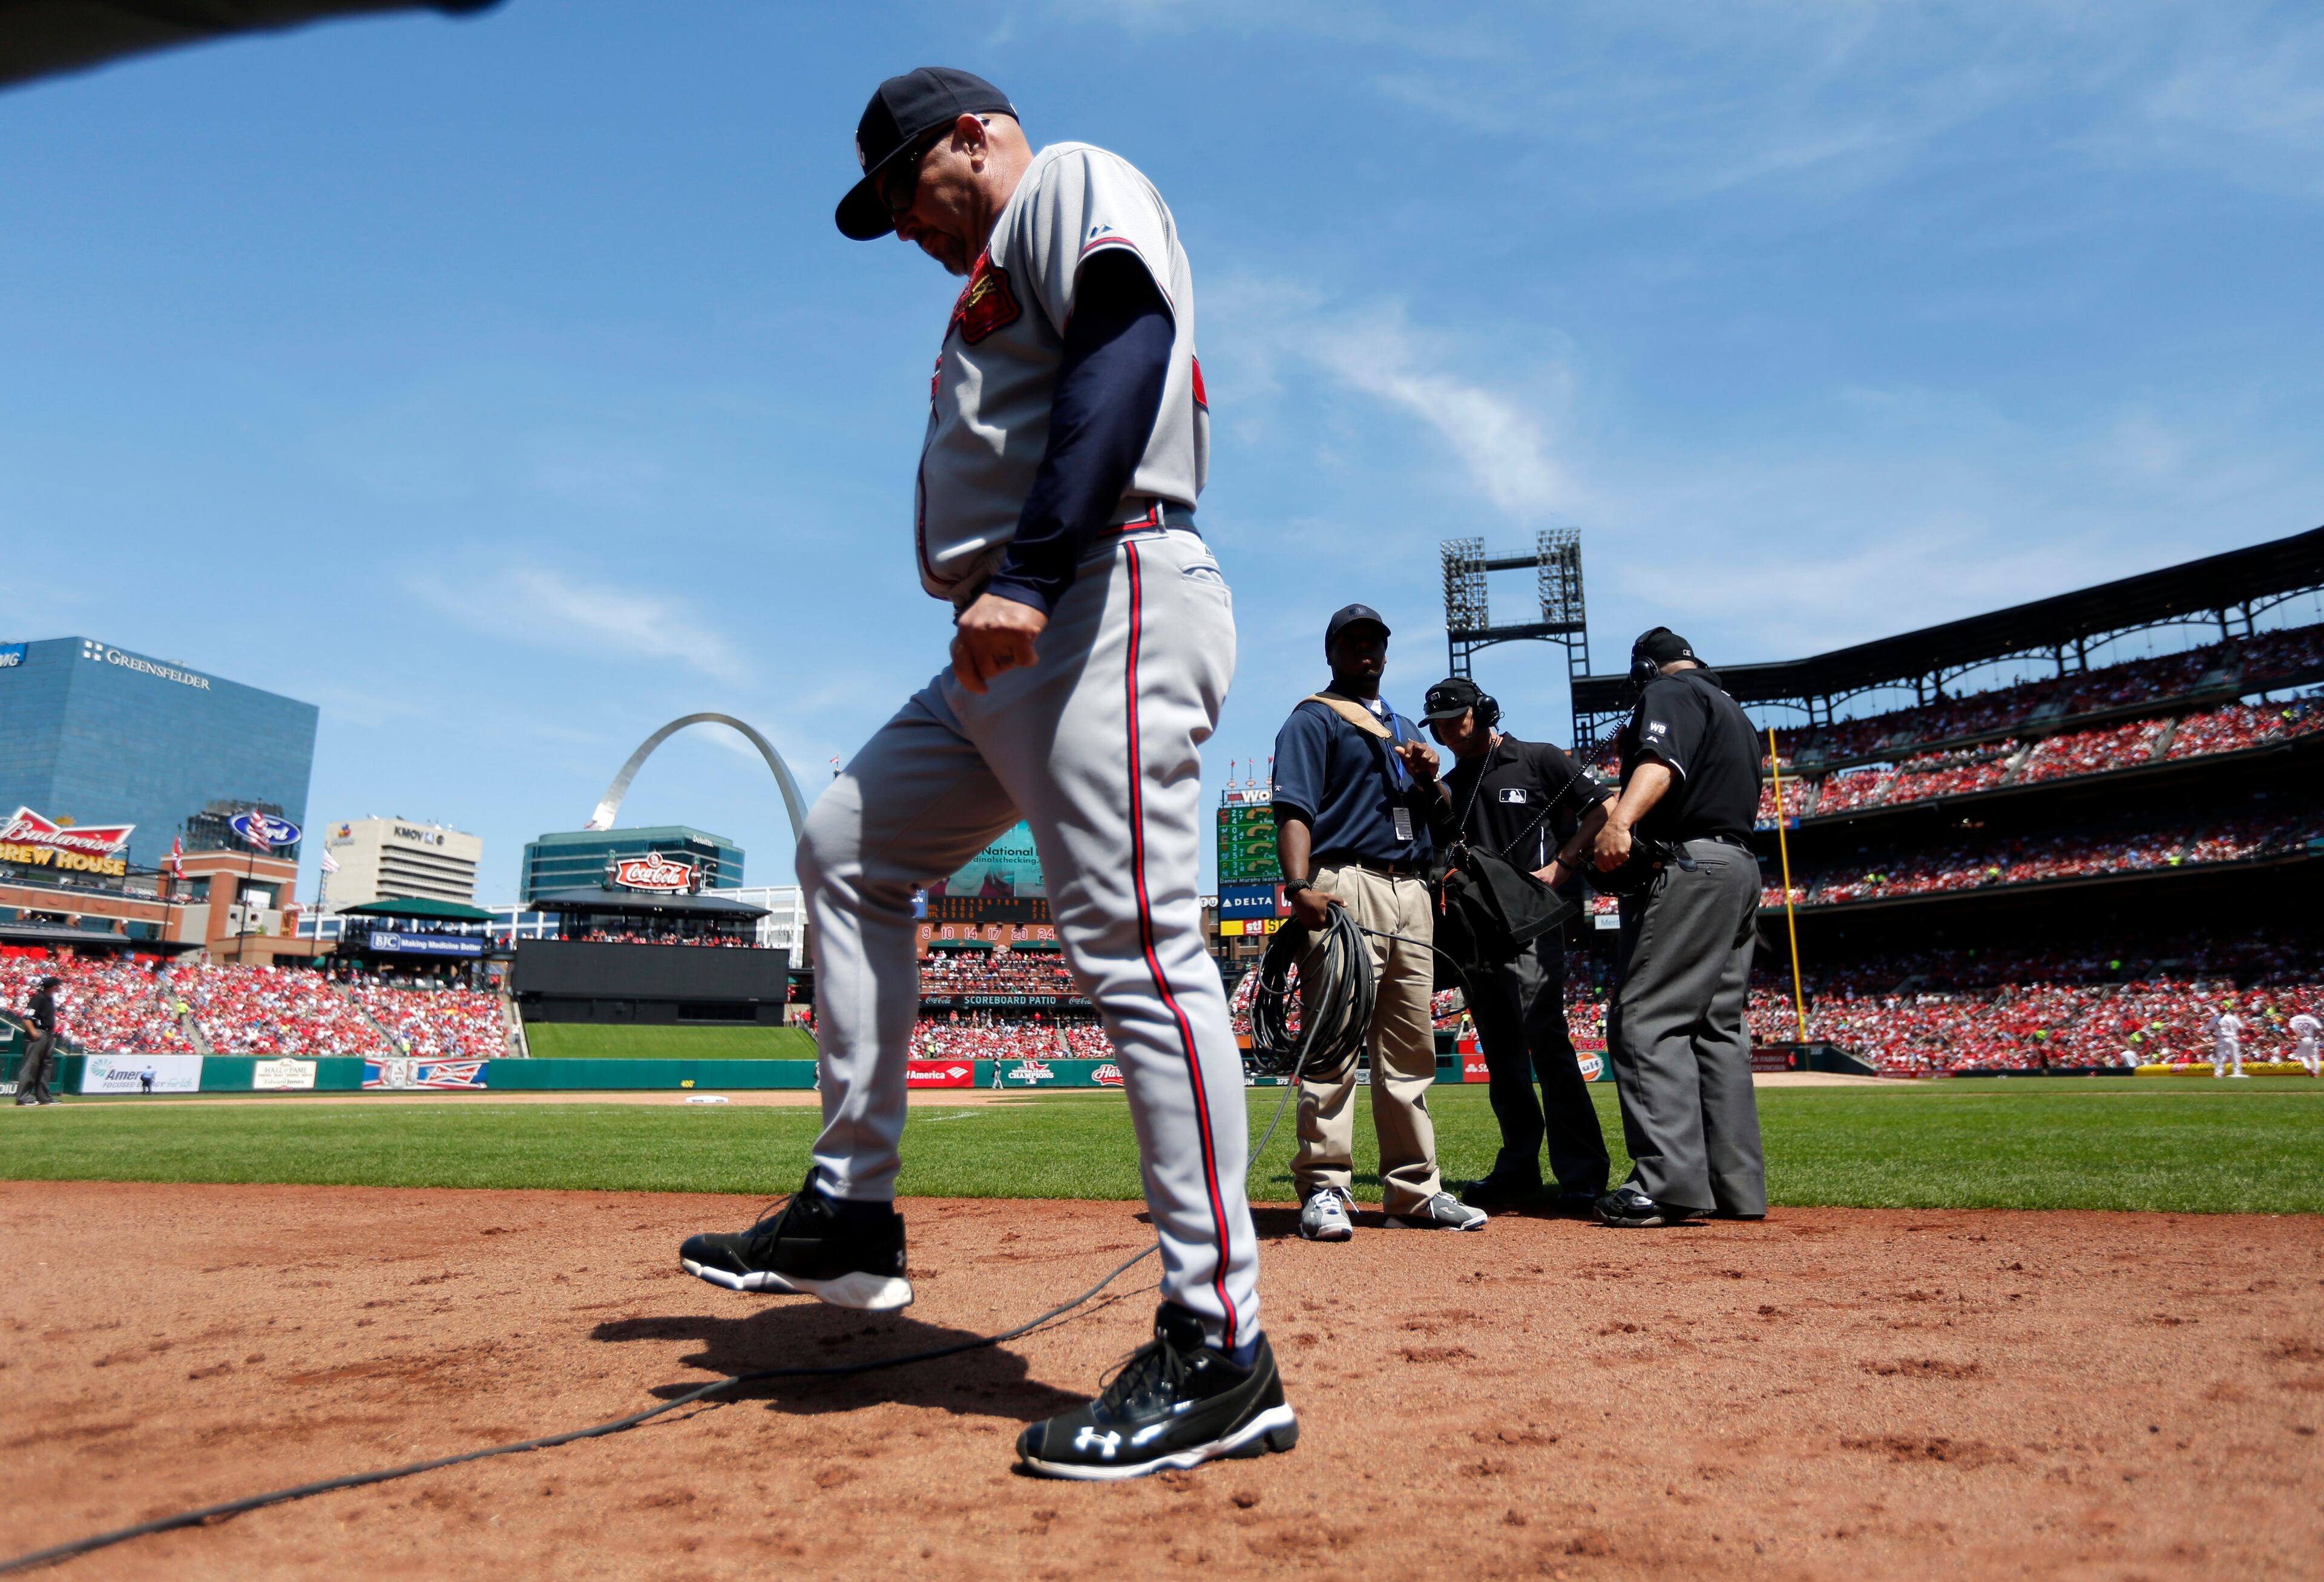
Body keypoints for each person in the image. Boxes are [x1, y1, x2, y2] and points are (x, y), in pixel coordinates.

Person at [675, 69, 1295, 1482]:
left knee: (1138, 945)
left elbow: (1126, 342)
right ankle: (850, 1206)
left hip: (1097, 586)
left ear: (972, 137)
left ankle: (1220, 1349)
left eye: (902, 187)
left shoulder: (1069, 176)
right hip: (1008, 639)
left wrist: (1022, 571)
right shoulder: (984, 273)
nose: (898, 222)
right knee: (844, 842)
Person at [1271, 605, 1488, 1241]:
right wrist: (1298, 885)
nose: (1367, 651)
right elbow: (1293, 809)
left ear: (1387, 654)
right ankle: (1325, 1187)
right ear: (1333, 652)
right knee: (1335, 1041)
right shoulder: (1313, 717)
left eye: (1375, 643)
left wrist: (1429, 781)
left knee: (1408, 1051)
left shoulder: (1403, 727)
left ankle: (1415, 1192)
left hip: (1410, 888)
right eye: (1354, 642)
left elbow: (1442, 820)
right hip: (1346, 884)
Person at [1589, 629, 1766, 1227]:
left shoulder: (1669, 692)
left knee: (1646, 1016)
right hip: (1740, 867)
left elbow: (1660, 763)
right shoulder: (1734, 710)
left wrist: (1622, 822)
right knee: (1717, 1029)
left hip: (1691, 866)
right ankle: (1736, 1186)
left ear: (1647, 667)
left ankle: (1666, 1182)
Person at [1419, 676, 1612, 1213]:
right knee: (1502, 1054)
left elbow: (1603, 807)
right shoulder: (1453, 785)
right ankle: (1519, 1167)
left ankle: (1583, 1174)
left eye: (1454, 719)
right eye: (1436, 724)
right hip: (1478, 932)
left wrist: (1565, 864)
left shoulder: (1540, 759)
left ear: (1483, 711)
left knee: (1545, 1042)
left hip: (1531, 922)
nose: (1444, 732)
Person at [15, 976, 62, 1107]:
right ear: (54, 986)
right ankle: (23, 1098)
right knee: (31, 1066)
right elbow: (27, 1018)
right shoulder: (39, 998)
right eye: (58, 985)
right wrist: (34, 1032)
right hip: (38, 1033)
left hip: (47, 1033)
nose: (60, 987)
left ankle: (44, 1097)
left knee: (46, 1066)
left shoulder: (49, 999)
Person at [2210, 1005, 2246, 1078]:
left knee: (2235, 1055)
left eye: (2223, 1011)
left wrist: (2238, 1035)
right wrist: (2214, 1035)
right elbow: (2210, 1028)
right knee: (2220, 1056)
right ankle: (2218, 1073)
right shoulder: (2215, 1018)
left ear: (2226, 1011)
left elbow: (2241, 1027)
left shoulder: (2231, 1018)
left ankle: (2237, 1072)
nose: (2222, 1012)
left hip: (2231, 1037)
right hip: (2221, 1038)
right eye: (2221, 1011)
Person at [2291, 1011, 2320, 1078]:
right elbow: (2319, 1028)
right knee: (2314, 1056)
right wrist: (2315, 1036)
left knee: (2303, 1055)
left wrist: (2297, 1036)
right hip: (2311, 1037)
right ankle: (2316, 1072)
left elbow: (2291, 1028)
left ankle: (2307, 1067)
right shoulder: (2311, 1019)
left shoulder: (2294, 1018)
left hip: (2301, 1038)